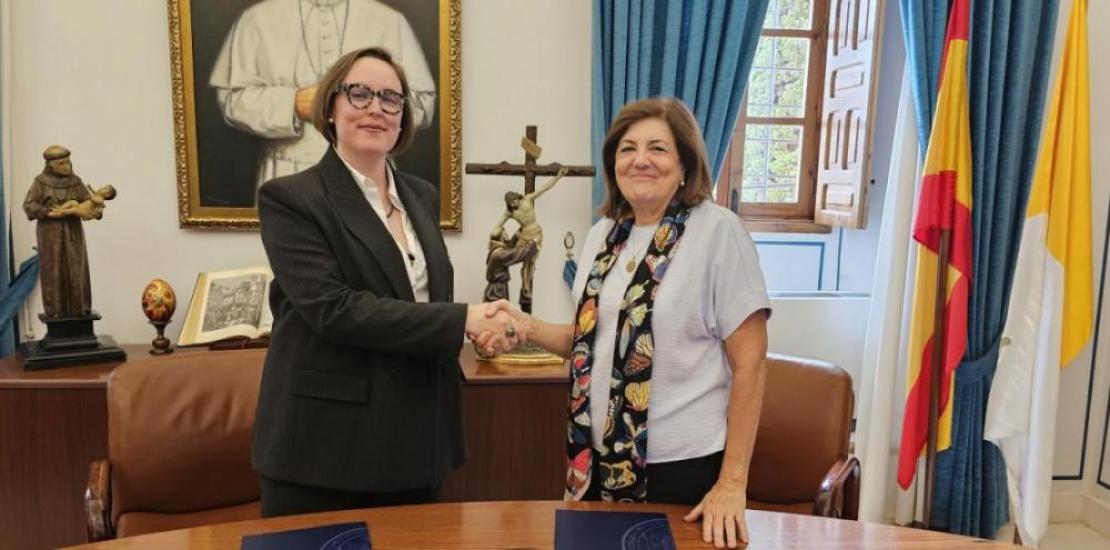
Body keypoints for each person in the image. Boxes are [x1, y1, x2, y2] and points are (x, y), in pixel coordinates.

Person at [481, 98, 771, 548]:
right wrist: (523, 324)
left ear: (684, 164)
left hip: (682, 471)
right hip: (593, 462)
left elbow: (751, 366)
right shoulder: (604, 234)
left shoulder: (719, 233)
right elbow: (590, 341)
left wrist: (733, 484)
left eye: (657, 148)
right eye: (627, 148)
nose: (640, 160)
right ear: (613, 163)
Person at [253, 47, 522, 517]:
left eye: (391, 99)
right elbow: (335, 310)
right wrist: (465, 320)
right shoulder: (291, 199)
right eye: (359, 94)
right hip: (325, 450)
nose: (376, 107)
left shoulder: (420, 196)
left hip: (418, 442)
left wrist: (480, 328)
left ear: (403, 118)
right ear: (330, 109)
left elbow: (418, 298)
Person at [210, 0, 436, 189]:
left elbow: (422, 104)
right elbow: (232, 100)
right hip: (285, 170)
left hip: (370, 172)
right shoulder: (256, 19)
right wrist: (294, 104)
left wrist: (365, 106)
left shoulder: (389, 20)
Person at [22, 146, 106, 319]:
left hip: (72, 233)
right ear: (50, 165)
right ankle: (55, 312)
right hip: (49, 234)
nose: (66, 166)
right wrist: (47, 212)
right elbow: (29, 205)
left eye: (68, 162)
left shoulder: (75, 182)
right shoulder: (40, 182)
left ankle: (79, 309)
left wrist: (96, 205)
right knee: (53, 270)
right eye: (61, 163)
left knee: (76, 269)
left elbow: (89, 206)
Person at [488, 166, 566, 311]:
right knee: (525, 265)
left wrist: (558, 177)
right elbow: (497, 226)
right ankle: (525, 287)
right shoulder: (510, 212)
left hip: (536, 234)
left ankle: (526, 285)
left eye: (514, 202)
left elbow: (544, 188)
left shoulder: (528, 199)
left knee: (532, 263)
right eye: (511, 204)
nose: (513, 205)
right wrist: (496, 233)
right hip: (524, 238)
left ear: (516, 198)